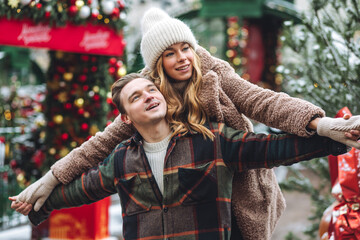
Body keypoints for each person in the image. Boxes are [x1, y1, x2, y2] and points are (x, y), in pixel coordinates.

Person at [11, 8, 360, 240]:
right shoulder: (150, 94)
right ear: (156, 64)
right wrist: (51, 179)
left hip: (235, 178)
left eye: (185, 48)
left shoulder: (213, 71)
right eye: (169, 53)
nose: (182, 59)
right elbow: (101, 145)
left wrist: (322, 124)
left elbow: (262, 101)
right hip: (186, 184)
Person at [16, 73, 348, 240]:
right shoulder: (120, 161)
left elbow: (275, 148)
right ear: (126, 118)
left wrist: (334, 137)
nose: (148, 96)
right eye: (136, 97)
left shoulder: (212, 141)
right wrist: (38, 203)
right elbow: (78, 190)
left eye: (151, 90)